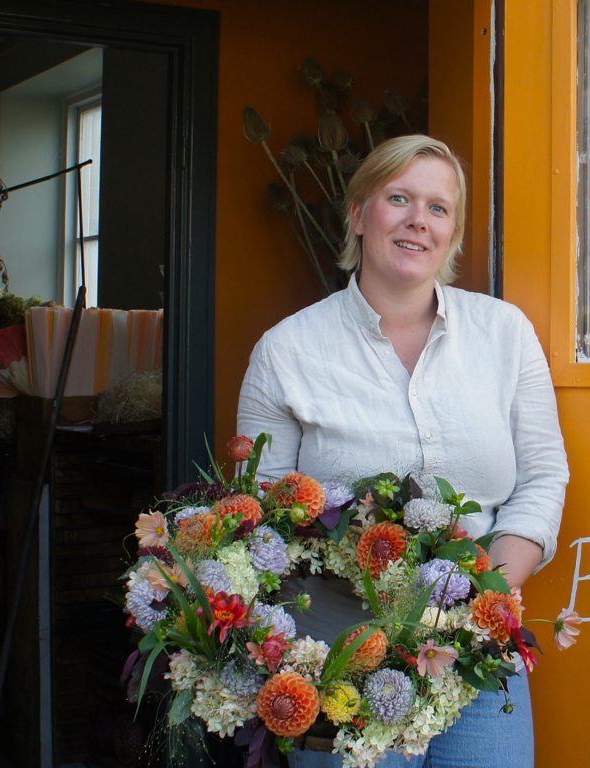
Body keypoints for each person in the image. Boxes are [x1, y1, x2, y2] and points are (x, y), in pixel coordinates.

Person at [236, 134, 569, 767]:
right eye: (399, 199)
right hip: (342, 666)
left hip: (476, 660)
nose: (420, 220)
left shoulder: (505, 334)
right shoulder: (287, 351)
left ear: (452, 232)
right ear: (359, 216)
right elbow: (259, 522)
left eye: (439, 208)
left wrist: (483, 599)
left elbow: (543, 477)